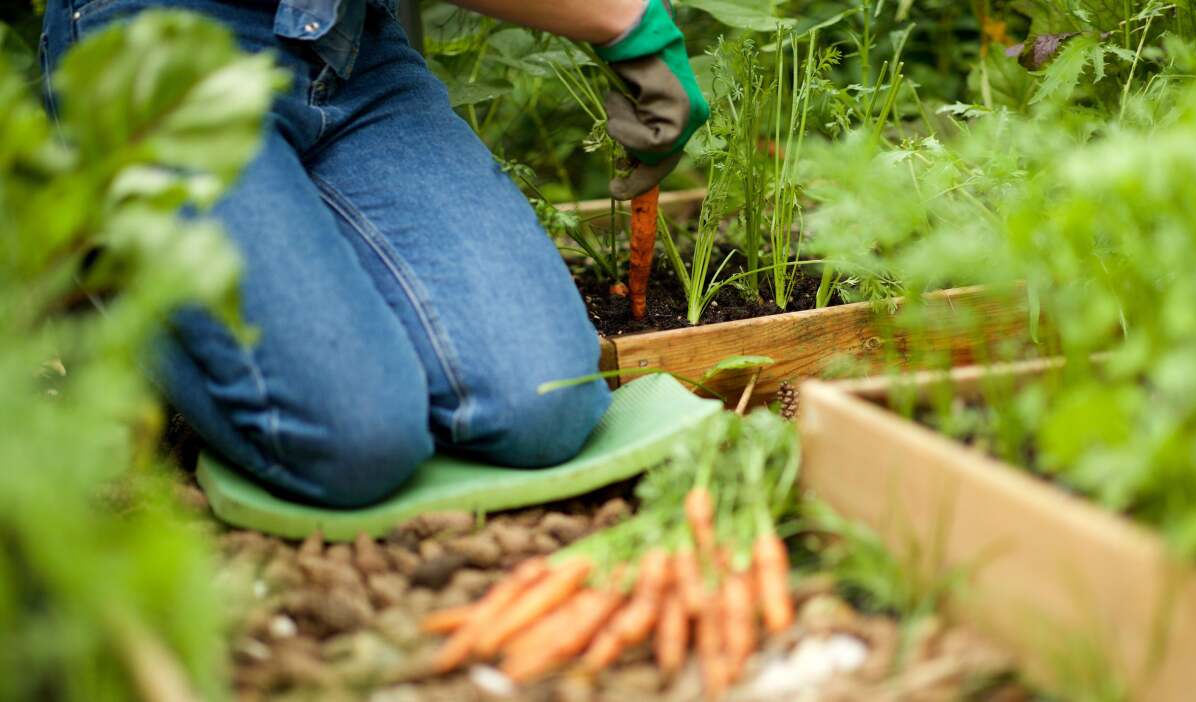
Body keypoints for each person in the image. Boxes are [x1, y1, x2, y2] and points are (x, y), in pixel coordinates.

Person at [39, 0, 707, 508]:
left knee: (545, 405)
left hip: (348, 47)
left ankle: (266, 254)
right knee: (356, 441)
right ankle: (116, 260)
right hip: (158, 45)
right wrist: (620, 17)